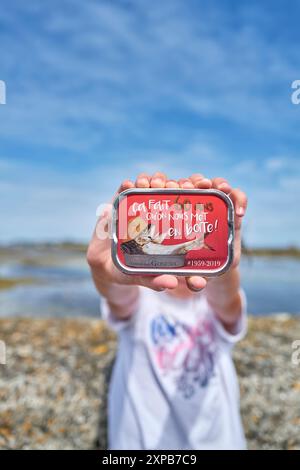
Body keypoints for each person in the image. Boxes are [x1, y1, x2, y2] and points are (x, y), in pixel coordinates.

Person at [87, 172, 248, 450]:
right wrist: (105, 272)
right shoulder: (142, 303)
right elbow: (118, 296)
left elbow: (228, 301)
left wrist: (224, 269)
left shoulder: (214, 307)